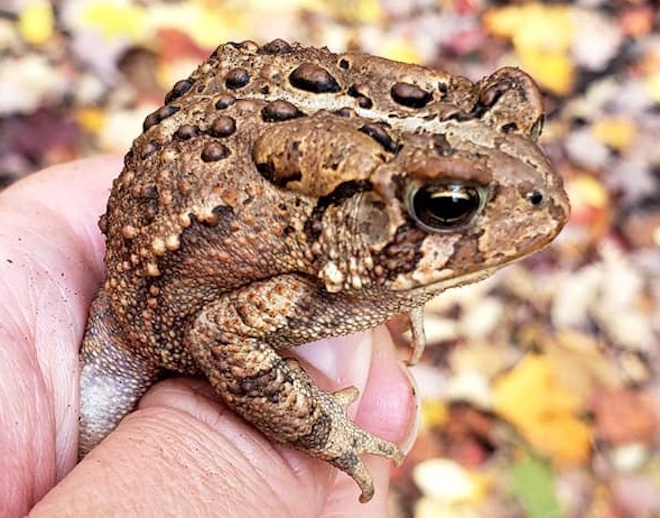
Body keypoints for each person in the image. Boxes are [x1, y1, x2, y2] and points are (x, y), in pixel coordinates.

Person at [0, 156, 418, 517]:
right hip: (142, 309)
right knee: (89, 433)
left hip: (218, 230)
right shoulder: (302, 264)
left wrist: (398, 281)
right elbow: (222, 336)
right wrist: (318, 427)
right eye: (449, 207)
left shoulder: (351, 226)